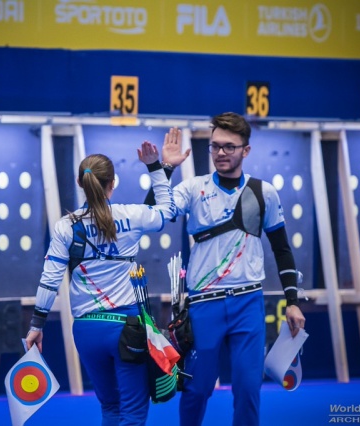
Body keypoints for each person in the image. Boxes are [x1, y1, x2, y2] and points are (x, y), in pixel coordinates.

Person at [154, 112, 306, 426]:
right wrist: (165, 168)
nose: (221, 153)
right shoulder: (192, 188)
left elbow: (282, 249)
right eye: (215, 146)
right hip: (203, 305)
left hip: (248, 303)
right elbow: (152, 215)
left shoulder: (265, 193)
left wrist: (293, 301)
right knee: (196, 389)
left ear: (245, 150)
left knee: (249, 390)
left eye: (229, 147)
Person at [25, 142, 176, 426]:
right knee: (132, 413)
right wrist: (157, 167)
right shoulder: (131, 215)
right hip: (126, 329)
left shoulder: (66, 226)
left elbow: (50, 280)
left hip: (86, 330)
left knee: (110, 407)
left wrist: (36, 325)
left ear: (80, 183)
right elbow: (166, 211)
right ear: (113, 183)